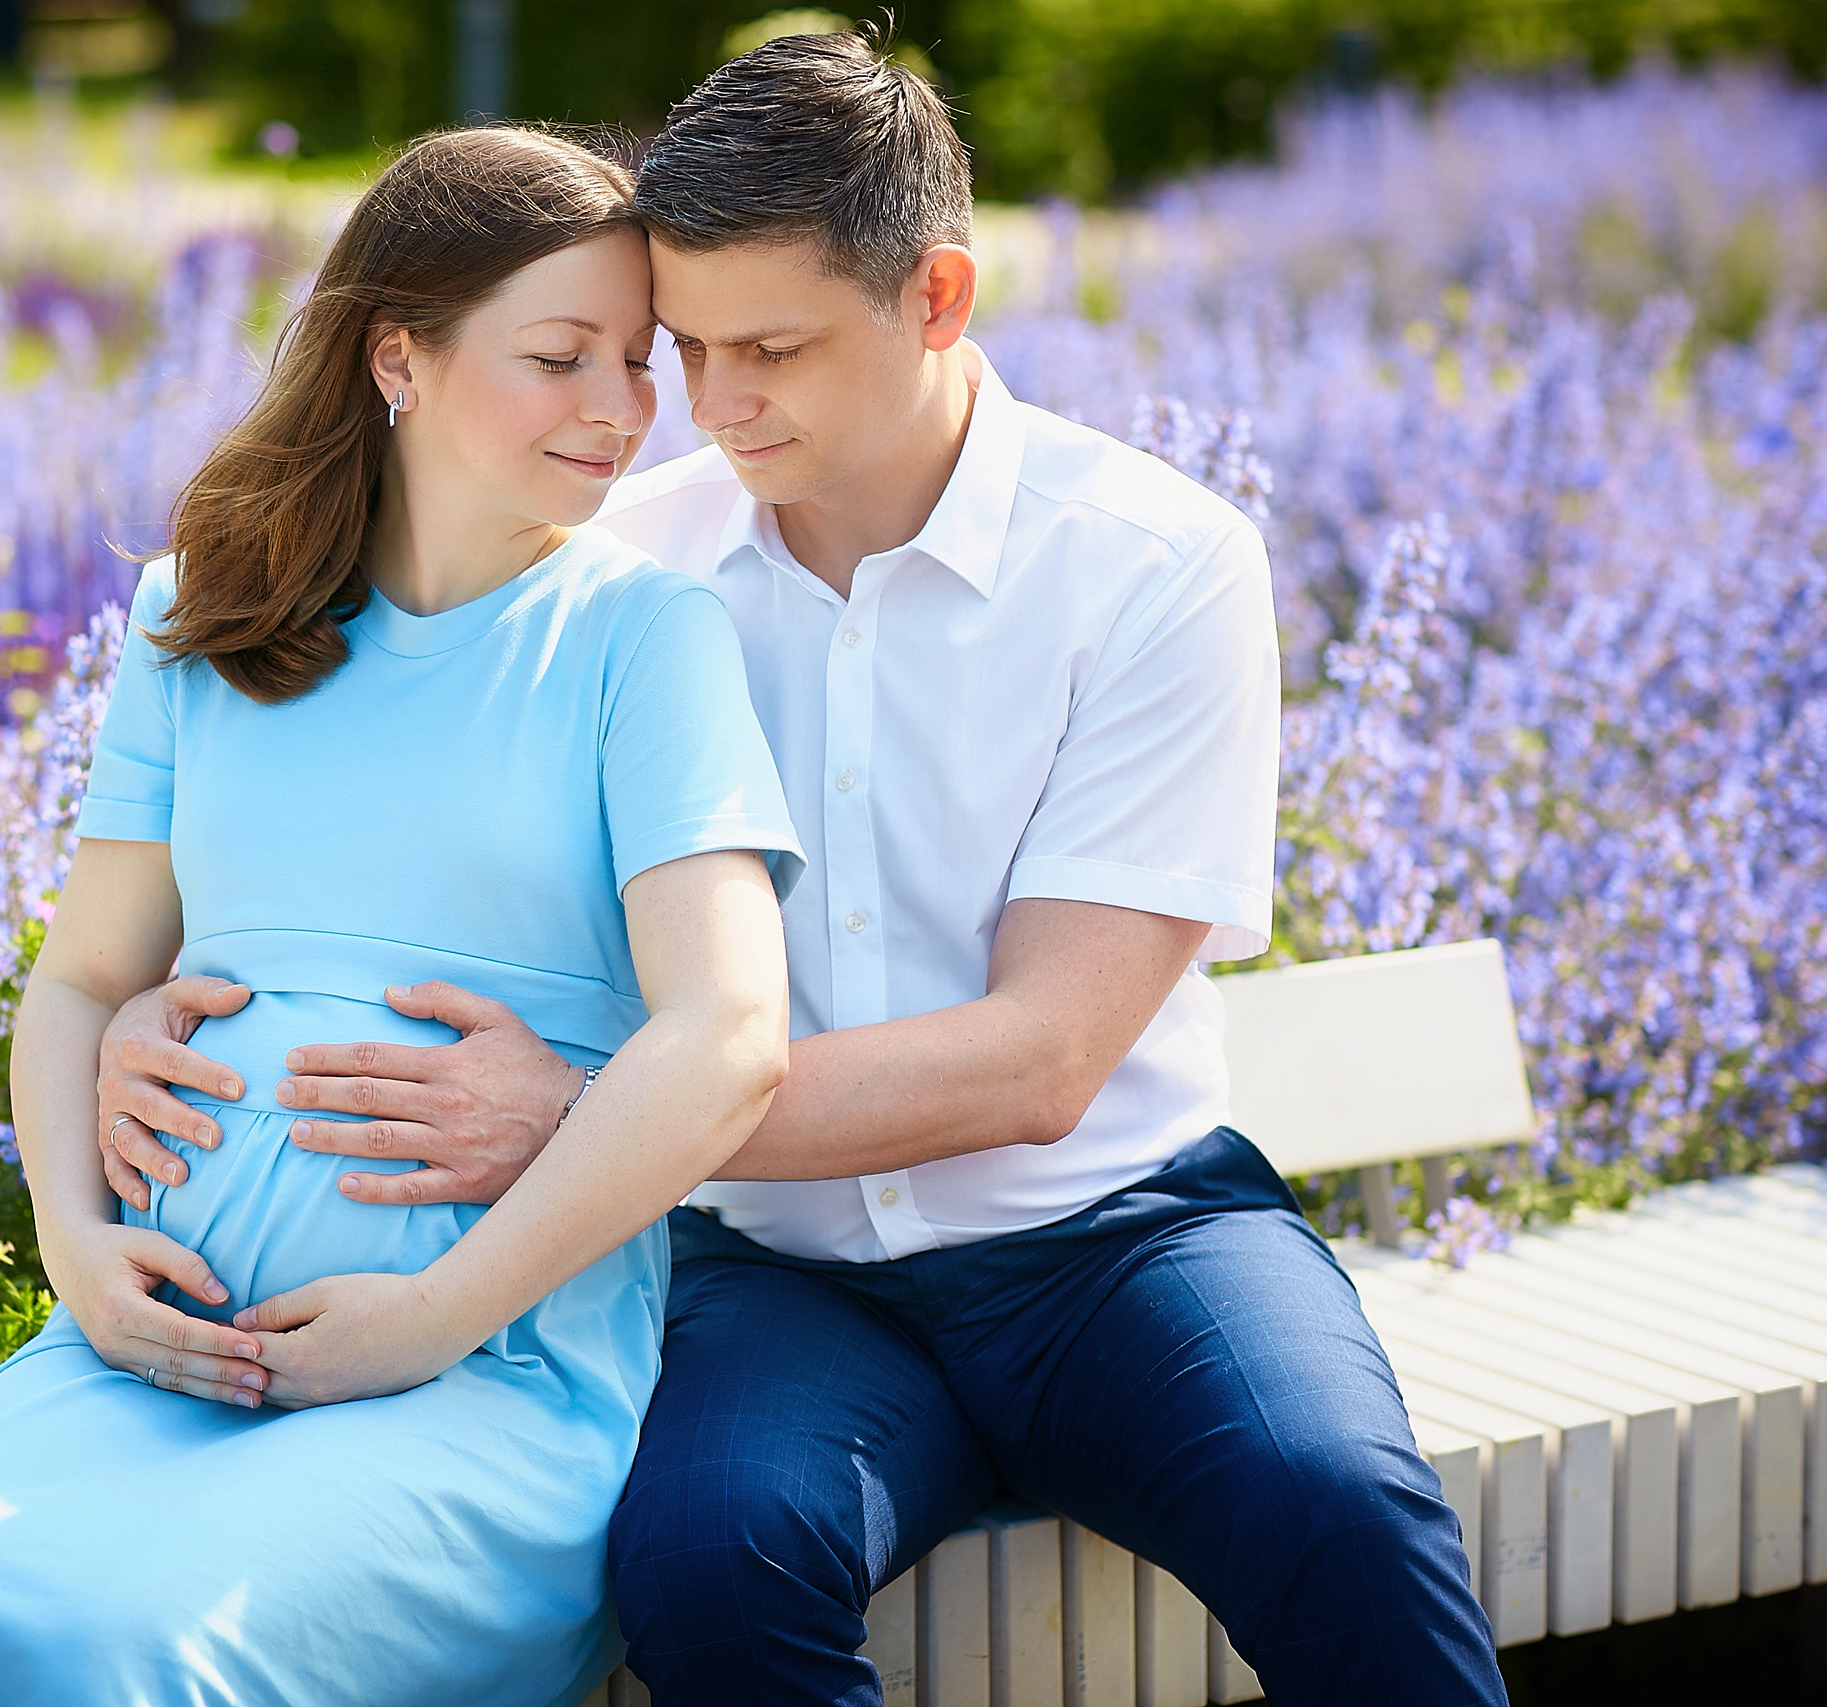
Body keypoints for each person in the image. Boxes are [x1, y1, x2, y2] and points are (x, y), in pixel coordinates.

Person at [97, 32, 1506, 1707]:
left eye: (772, 347)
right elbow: (393, 840)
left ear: (939, 296)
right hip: (768, 1280)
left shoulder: (1157, 567)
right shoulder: (620, 570)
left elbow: (1044, 1060)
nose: (708, 405)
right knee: (704, 1569)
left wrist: (581, 1110)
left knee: (1341, 1517)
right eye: (684, 346)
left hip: (1123, 1244)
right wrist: (150, 1017)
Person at [0, 127, 803, 1707]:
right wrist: (78, 1256)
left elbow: (730, 1036)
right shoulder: (197, 614)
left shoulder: (644, 636)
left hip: (481, 1374)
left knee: (133, 1661)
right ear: (397, 359)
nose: (621, 411)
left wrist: (425, 1320)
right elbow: (82, 979)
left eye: (640, 363)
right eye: (561, 357)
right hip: (149, 1347)